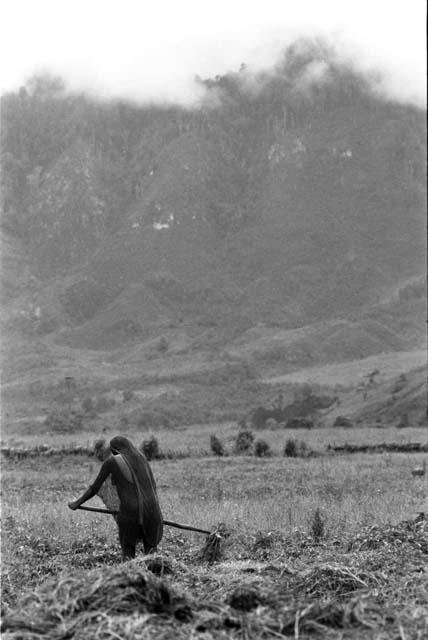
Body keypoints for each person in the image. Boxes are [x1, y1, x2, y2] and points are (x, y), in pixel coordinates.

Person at [68, 435, 163, 560]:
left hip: (130, 515)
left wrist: (77, 503)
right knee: (152, 556)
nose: (112, 454)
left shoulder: (112, 461)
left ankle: (130, 576)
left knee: (128, 556)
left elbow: (94, 488)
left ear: (115, 450)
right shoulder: (142, 458)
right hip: (153, 513)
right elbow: (153, 486)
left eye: (112, 452)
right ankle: (156, 576)